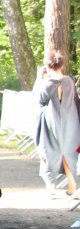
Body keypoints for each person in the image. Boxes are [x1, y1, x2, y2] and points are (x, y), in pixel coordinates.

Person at [33, 49, 80, 196]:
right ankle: (72, 186)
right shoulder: (69, 81)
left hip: (52, 122)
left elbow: (38, 99)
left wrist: (38, 78)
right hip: (70, 121)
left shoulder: (47, 83)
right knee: (69, 152)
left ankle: (51, 188)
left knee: (50, 152)